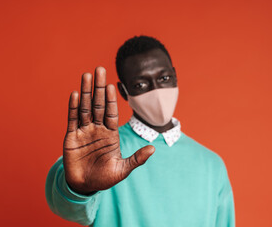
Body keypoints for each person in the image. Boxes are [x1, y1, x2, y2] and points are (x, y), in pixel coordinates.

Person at [45, 35, 235, 226]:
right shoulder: (101, 151)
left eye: (164, 78)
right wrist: (80, 188)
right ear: (123, 91)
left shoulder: (212, 164)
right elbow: (65, 206)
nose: (156, 90)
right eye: (140, 84)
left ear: (175, 75)